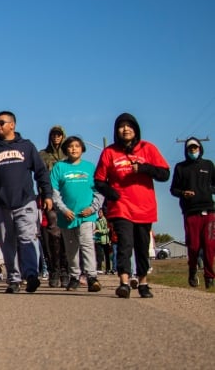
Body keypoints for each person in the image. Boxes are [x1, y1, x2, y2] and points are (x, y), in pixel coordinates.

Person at [94, 113, 169, 298]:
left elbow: (164, 173)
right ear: (116, 130)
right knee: (125, 245)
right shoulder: (109, 152)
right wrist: (112, 194)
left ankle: (143, 282)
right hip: (121, 207)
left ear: (135, 129)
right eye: (121, 126)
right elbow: (99, 180)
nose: (125, 129)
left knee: (142, 247)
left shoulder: (148, 148)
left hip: (144, 207)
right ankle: (124, 282)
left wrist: (144, 168)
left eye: (129, 126)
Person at [0, 111, 51, 294]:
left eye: (2, 122)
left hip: (25, 201)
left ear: (13, 125)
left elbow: (41, 172)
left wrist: (47, 194)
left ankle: (31, 275)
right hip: (0, 204)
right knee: (7, 241)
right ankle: (14, 279)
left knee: (27, 238)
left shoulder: (26, 146)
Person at [49, 136, 104, 292]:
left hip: (86, 215)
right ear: (66, 149)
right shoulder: (59, 167)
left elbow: (99, 190)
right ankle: (74, 276)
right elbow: (54, 191)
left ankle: (92, 277)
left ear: (82, 149)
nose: (74, 149)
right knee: (71, 248)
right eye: (71, 146)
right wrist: (63, 209)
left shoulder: (90, 167)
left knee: (87, 244)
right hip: (66, 215)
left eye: (77, 146)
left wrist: (93, 208)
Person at [169, 137, 215, 289]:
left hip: (209, 211)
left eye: (195, 148)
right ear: (186, 150)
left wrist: (209, 190)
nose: (193, 150)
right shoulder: (181, 168)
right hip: (191, 212)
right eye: (190, 149)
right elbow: (173, 189)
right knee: (194, 246)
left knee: (209, 245)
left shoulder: (208, 165)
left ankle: (209, 276)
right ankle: (192, 270)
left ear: (200, 148)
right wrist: (183, 193)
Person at [39, 125, 69, 288]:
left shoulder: (68, 154)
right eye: (53, 135)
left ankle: (66, 270)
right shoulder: (42, 155)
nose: (56, 137)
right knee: (51, 235)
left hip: (68, 200)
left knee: (66, 235)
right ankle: (53, 271)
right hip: (49, 198)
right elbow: (40, 176)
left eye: (59, 135)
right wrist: (44, 194)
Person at [93, 208, 112, 274]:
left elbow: (108, 230)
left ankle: (108, 268)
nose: (99, 214)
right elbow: (94, 228)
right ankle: (99, 268)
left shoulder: (106, 220)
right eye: (98, 213)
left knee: (107, 255)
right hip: (98, 240)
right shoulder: (96, 220)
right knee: (99, 254)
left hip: (105, 240)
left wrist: (99, 231)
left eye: (101, 212)